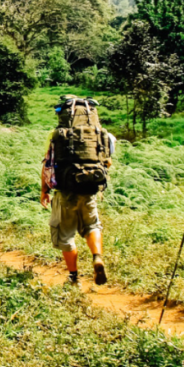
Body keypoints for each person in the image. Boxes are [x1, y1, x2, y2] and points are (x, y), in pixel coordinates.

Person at [40, 96, 115, 287]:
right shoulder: (102, 134)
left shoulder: (56, 135)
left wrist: (44, 191)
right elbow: (107, 161)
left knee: (65, 235)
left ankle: (74, 277)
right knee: (92, 225)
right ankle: (97, 257)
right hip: (89, 189)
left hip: (66, 191)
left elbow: (48, 165)